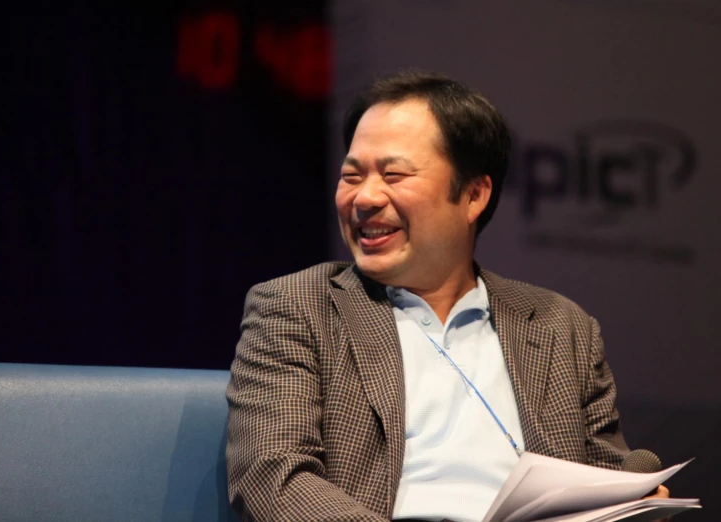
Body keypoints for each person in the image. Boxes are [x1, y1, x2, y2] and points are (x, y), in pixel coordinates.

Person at [226, 71, 666, 522]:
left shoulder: (561, 327)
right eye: (351, 176)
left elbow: (609, 481)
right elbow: (272, 476)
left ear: (473, 195)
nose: (365, 198)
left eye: (393, 175)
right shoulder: (298, 307)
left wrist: (636, 504)